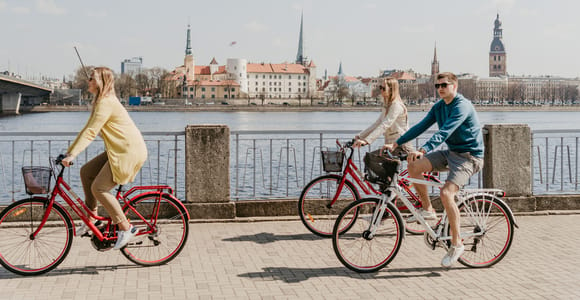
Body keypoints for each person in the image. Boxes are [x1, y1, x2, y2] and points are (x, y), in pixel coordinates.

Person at [390, 72, 484, 268]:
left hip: (469, 157)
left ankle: (457, 243)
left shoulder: (462, 106)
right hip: (451, 153)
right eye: (437, 86)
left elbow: (445, 131)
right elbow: (421, 126)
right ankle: (428, 209)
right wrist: (395, 143)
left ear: (454, 87)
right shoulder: (439, 107)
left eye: (444, 85)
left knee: (446, 193)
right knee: (414, 165)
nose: (440, 88)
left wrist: (423, 150)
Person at [62, 67, 148, 250]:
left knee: (99, 188)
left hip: (128, 151)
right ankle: (91, 219)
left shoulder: (106, 102)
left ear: (101, 81)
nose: (88, 82)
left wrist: (72, 154)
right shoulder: (102, 101)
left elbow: (91, 132)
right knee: (86, 172)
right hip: (118, 149)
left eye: (92, 79)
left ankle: (126, 227)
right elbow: (87, 129)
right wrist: (69, 152)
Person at [352, 77, 413, 155]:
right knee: (372, 159)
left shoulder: (396, 105)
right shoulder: (387, 105)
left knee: (370, 158)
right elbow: (377, 123)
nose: (381, 90)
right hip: (390, 145)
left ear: (391, 90)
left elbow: (385, 125)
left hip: (401, 145)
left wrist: (367, 141)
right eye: (380, 87)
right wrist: (360, 136)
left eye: (383, 88)